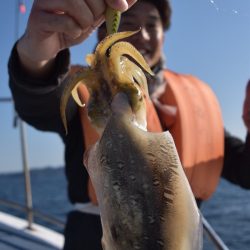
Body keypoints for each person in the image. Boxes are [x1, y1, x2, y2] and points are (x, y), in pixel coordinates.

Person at [8, 0, 250, 249]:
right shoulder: (85, 96)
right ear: (101, 30)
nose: (142, 35)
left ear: (163, 36)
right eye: (131, 24)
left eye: (152, 26)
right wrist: (36, 57)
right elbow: (38, 103)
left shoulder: (195, 100)